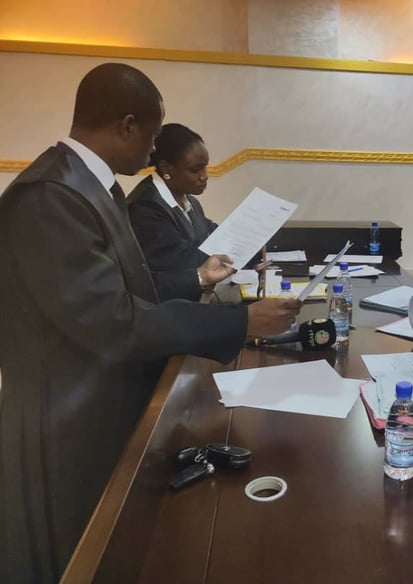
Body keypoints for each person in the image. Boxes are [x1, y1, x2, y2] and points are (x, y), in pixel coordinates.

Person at [0, 63, 301, 583]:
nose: (154, 148)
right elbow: (114, 320)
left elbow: (134, 288)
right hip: (64, 415)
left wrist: (210, 295)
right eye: (154, 135)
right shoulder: (52, 195)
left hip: (95, 394)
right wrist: (238, 320)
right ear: (127, 125)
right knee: (77, 556)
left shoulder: (91, 185)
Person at [128, 123, 221, 301]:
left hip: (194, 301)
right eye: (195, 169)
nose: (205, 176)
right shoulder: (145, 207)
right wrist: (234, 251)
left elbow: (210, 232)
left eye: (205, 166)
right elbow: (184, 261)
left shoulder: (189, 200)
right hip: (166, 309)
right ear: (166, 168)